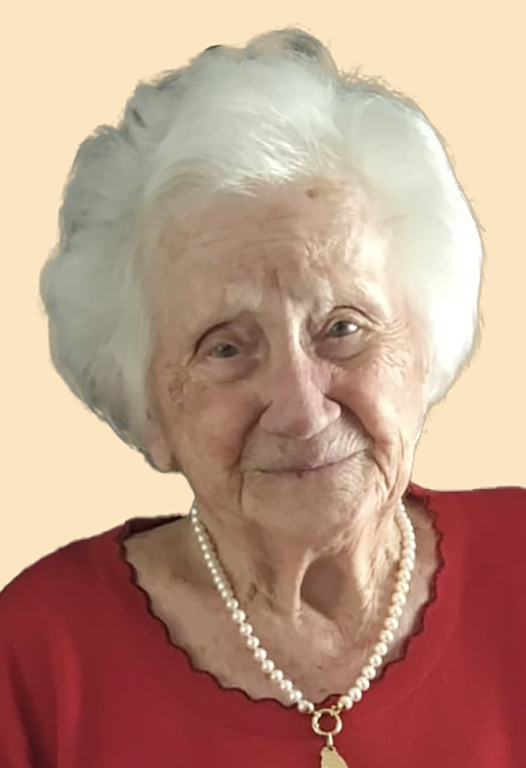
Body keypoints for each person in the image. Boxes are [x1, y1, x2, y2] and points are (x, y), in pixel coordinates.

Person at [1, 26, 525, 768]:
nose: (302, 410)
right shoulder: (37, 657)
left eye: (342, 328)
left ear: (424, 347)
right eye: (225, 348)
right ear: (148, 406)